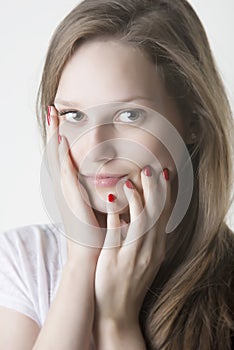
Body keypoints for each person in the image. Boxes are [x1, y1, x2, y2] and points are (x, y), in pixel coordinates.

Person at [0, 0, 233, 349]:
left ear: (194, 123)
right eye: (74, 115)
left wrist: (116, 323)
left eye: (129, 115)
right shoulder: (23, 261)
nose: (97, 148)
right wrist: (81, 262)